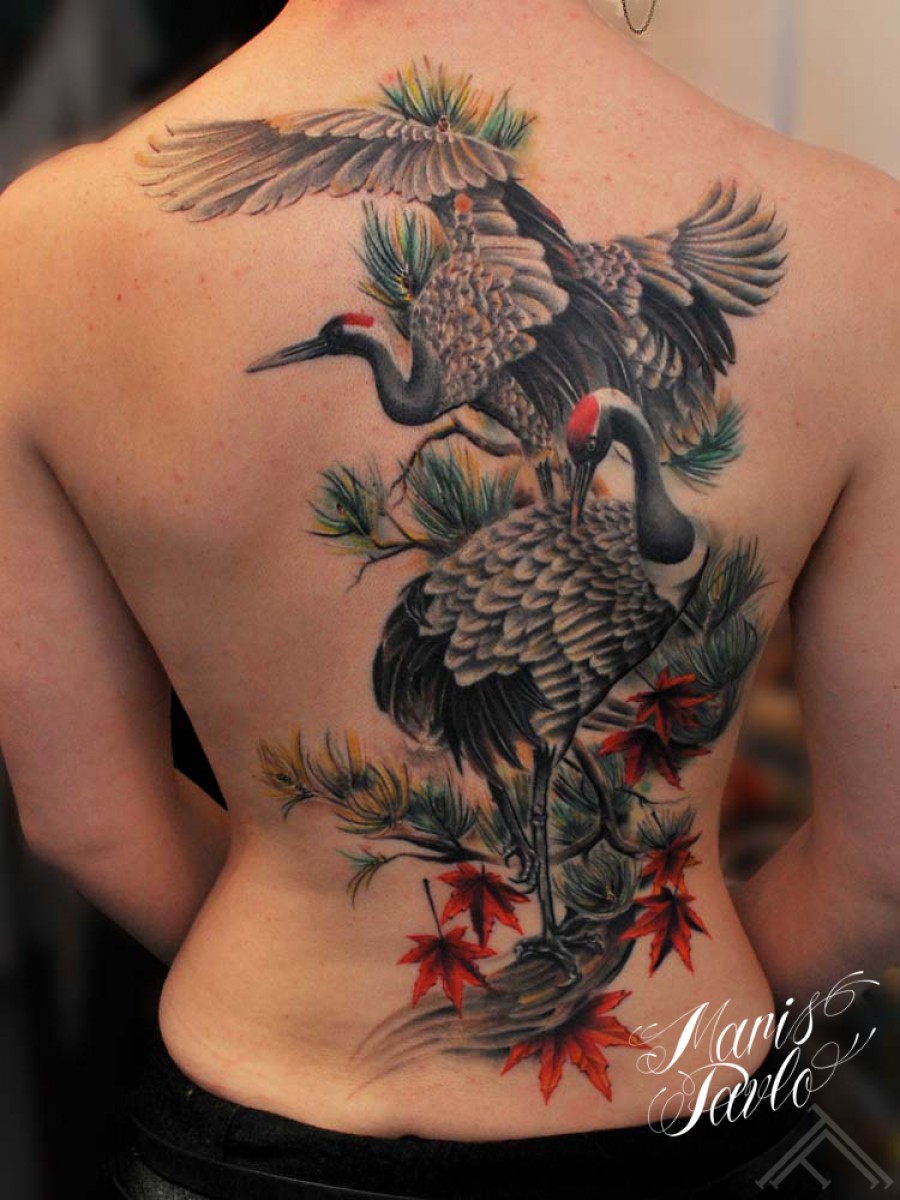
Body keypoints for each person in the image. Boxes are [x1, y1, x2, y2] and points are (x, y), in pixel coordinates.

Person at [1, 2, 897, 1197]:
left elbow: (84, 821)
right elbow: (884, 869)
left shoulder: (39, 249)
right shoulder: (864, 242)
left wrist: (306, 970)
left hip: (256, 1126)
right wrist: (678, 1011)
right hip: (687, 1106)